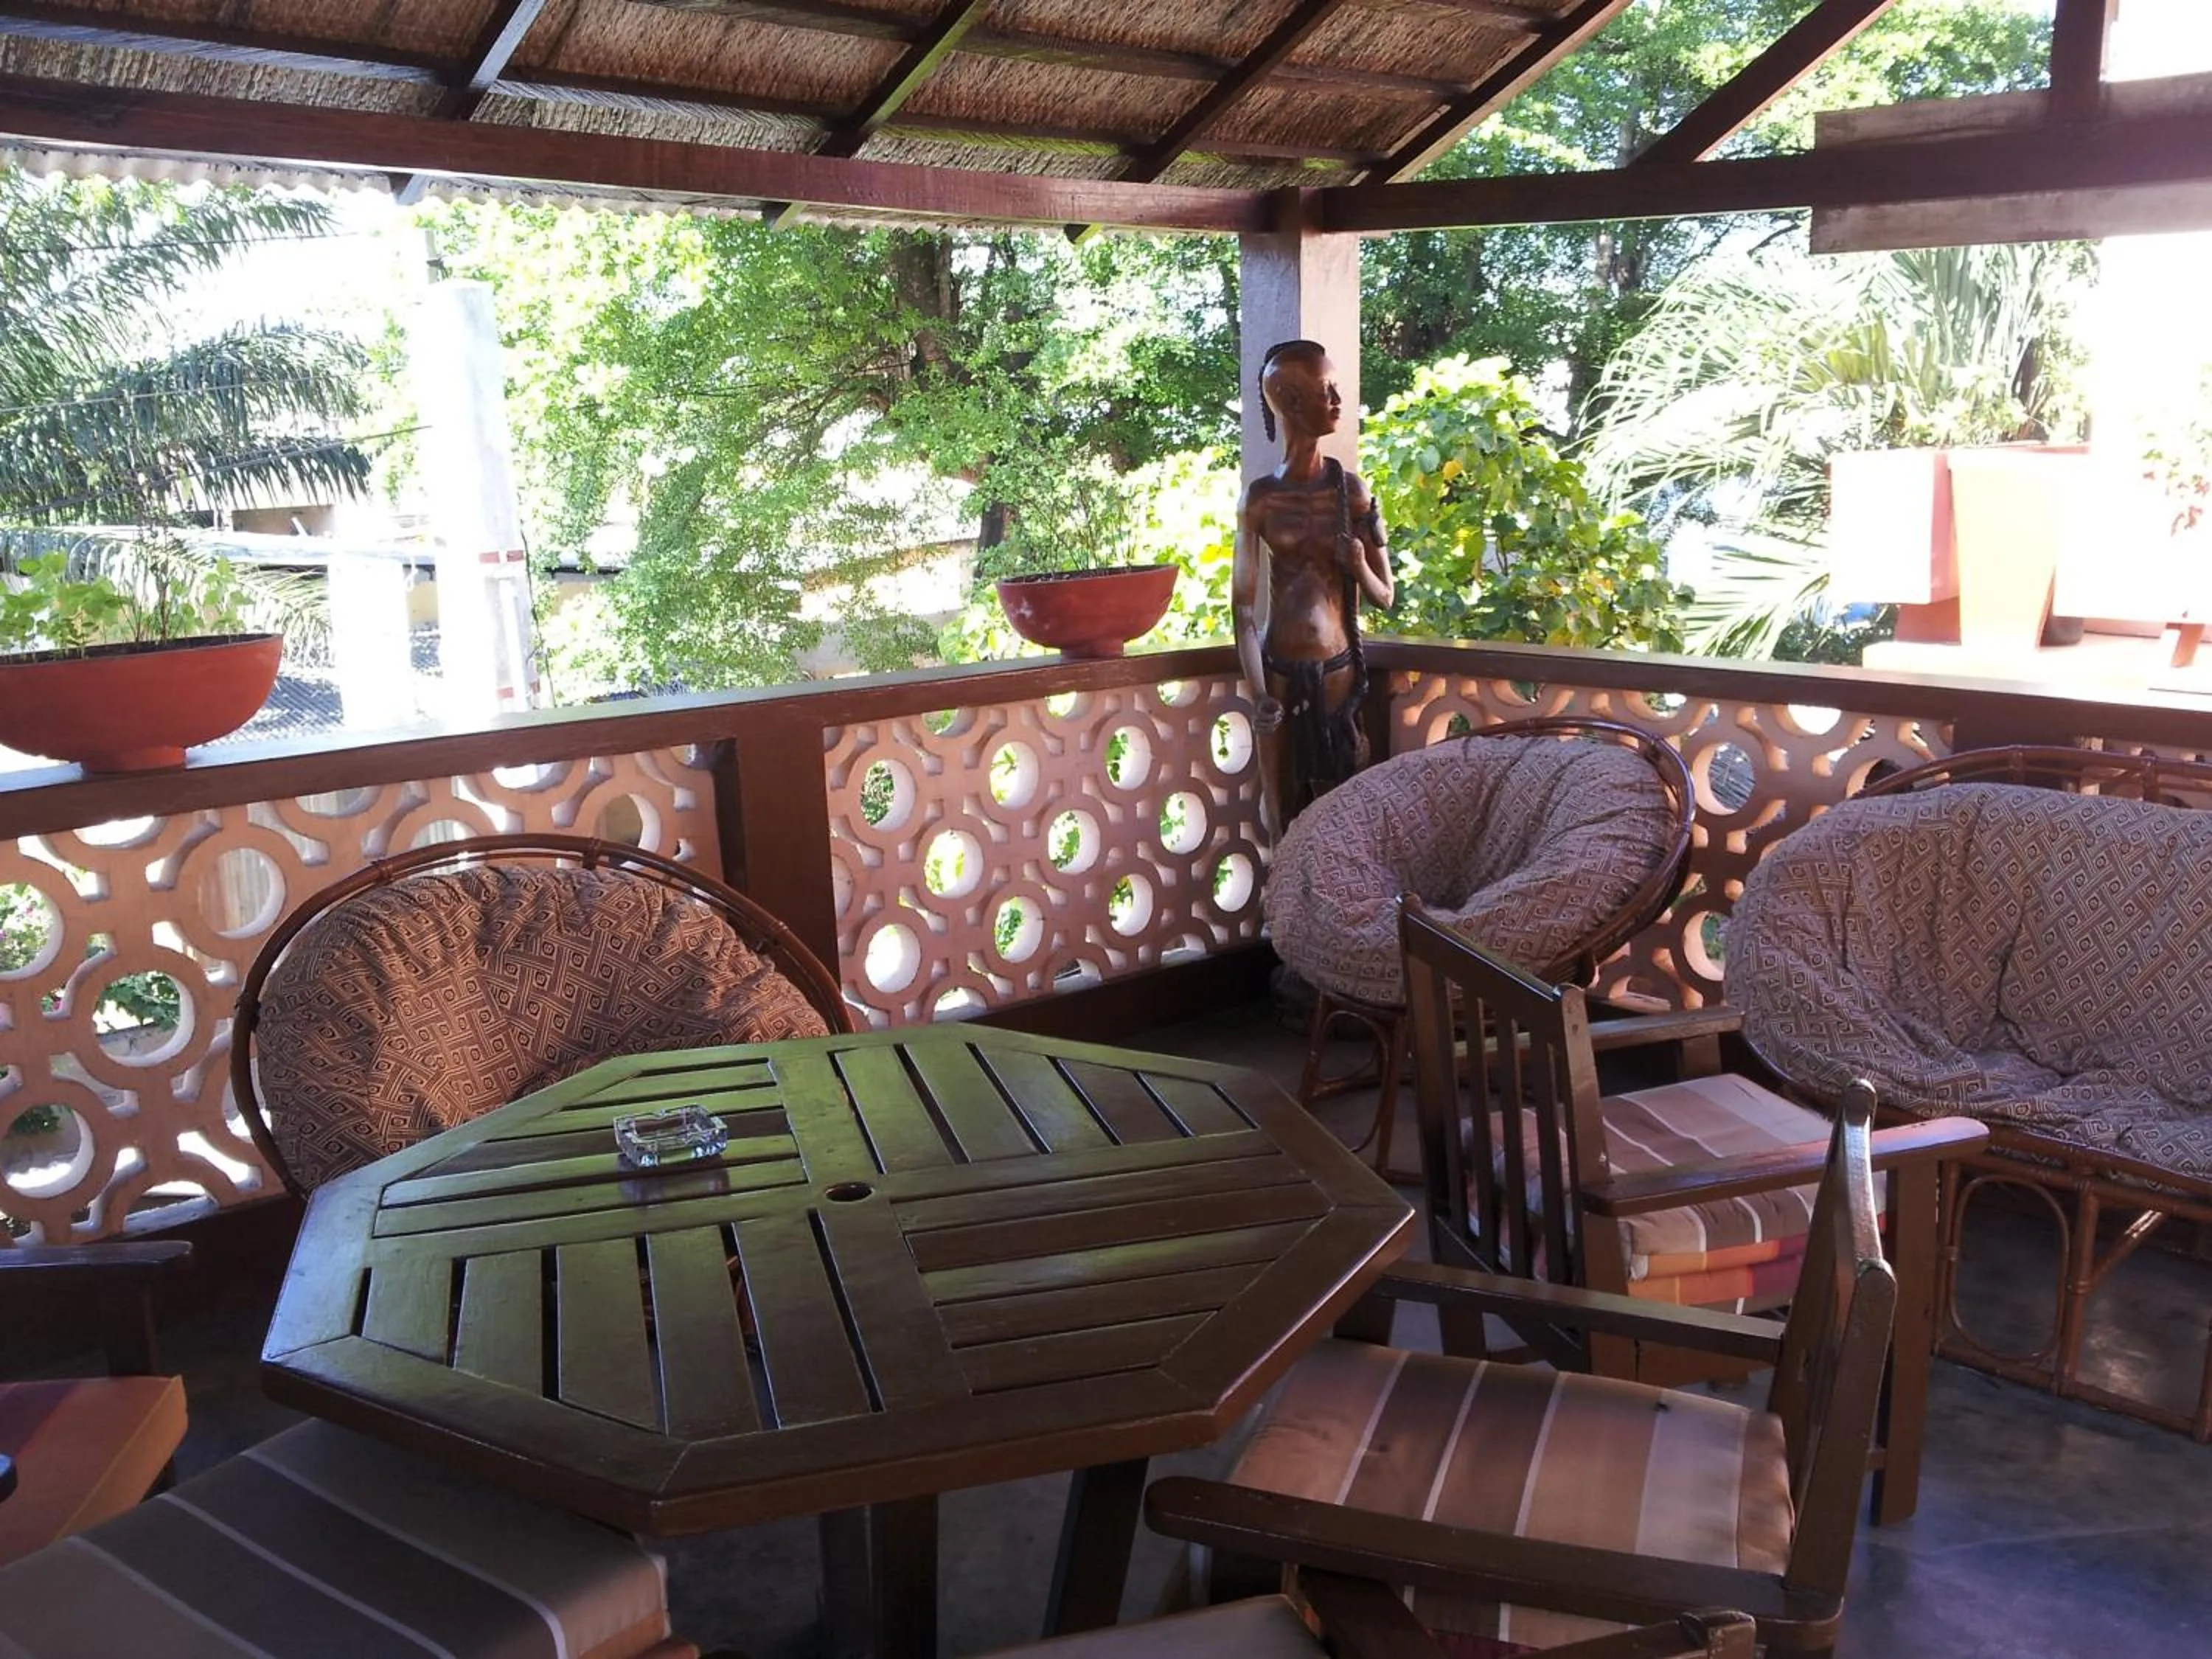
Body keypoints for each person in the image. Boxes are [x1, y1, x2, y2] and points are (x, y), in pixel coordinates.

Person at [1233, 339, 1394, 842]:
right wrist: (1259, 693)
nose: (1339, 401)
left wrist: (1359, 565)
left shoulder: (1352, 492)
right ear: (1291, 401)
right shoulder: (1261, 499)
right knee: (1281, 810)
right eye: (1327, 391)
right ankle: (1287, 893)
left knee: (1341, 810)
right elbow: (1242, 610)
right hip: (1278, 672)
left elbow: (1385, 596)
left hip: (1339, 672)